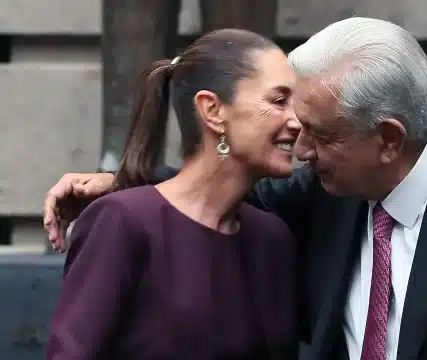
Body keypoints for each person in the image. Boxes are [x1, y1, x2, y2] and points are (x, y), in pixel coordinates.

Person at [44, 18, 427, 360]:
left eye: (321, 137)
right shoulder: (326, 192)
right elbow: (209, 199)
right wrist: (123, 187)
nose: (301, 151)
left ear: (387, 139)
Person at [45, 29, 300, 360]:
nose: (297, 122)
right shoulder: (122, 222)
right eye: (279, 101)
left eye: (297, 104)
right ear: (212, 110)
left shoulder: (272, 238)